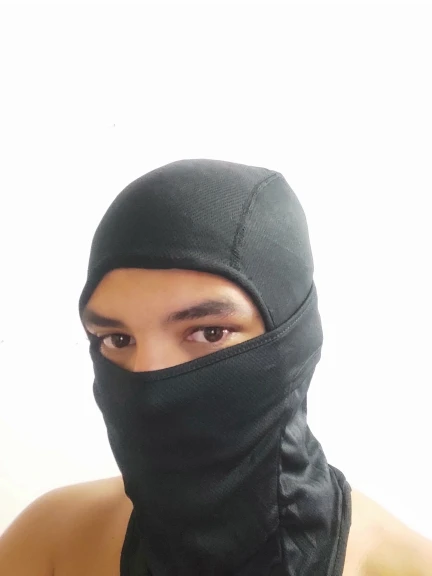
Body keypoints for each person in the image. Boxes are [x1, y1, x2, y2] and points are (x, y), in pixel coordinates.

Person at [0, 159, 431, 576]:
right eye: (118, 339)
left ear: (293, 338)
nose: (150, 383)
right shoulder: (50, 545)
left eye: (209, 332)